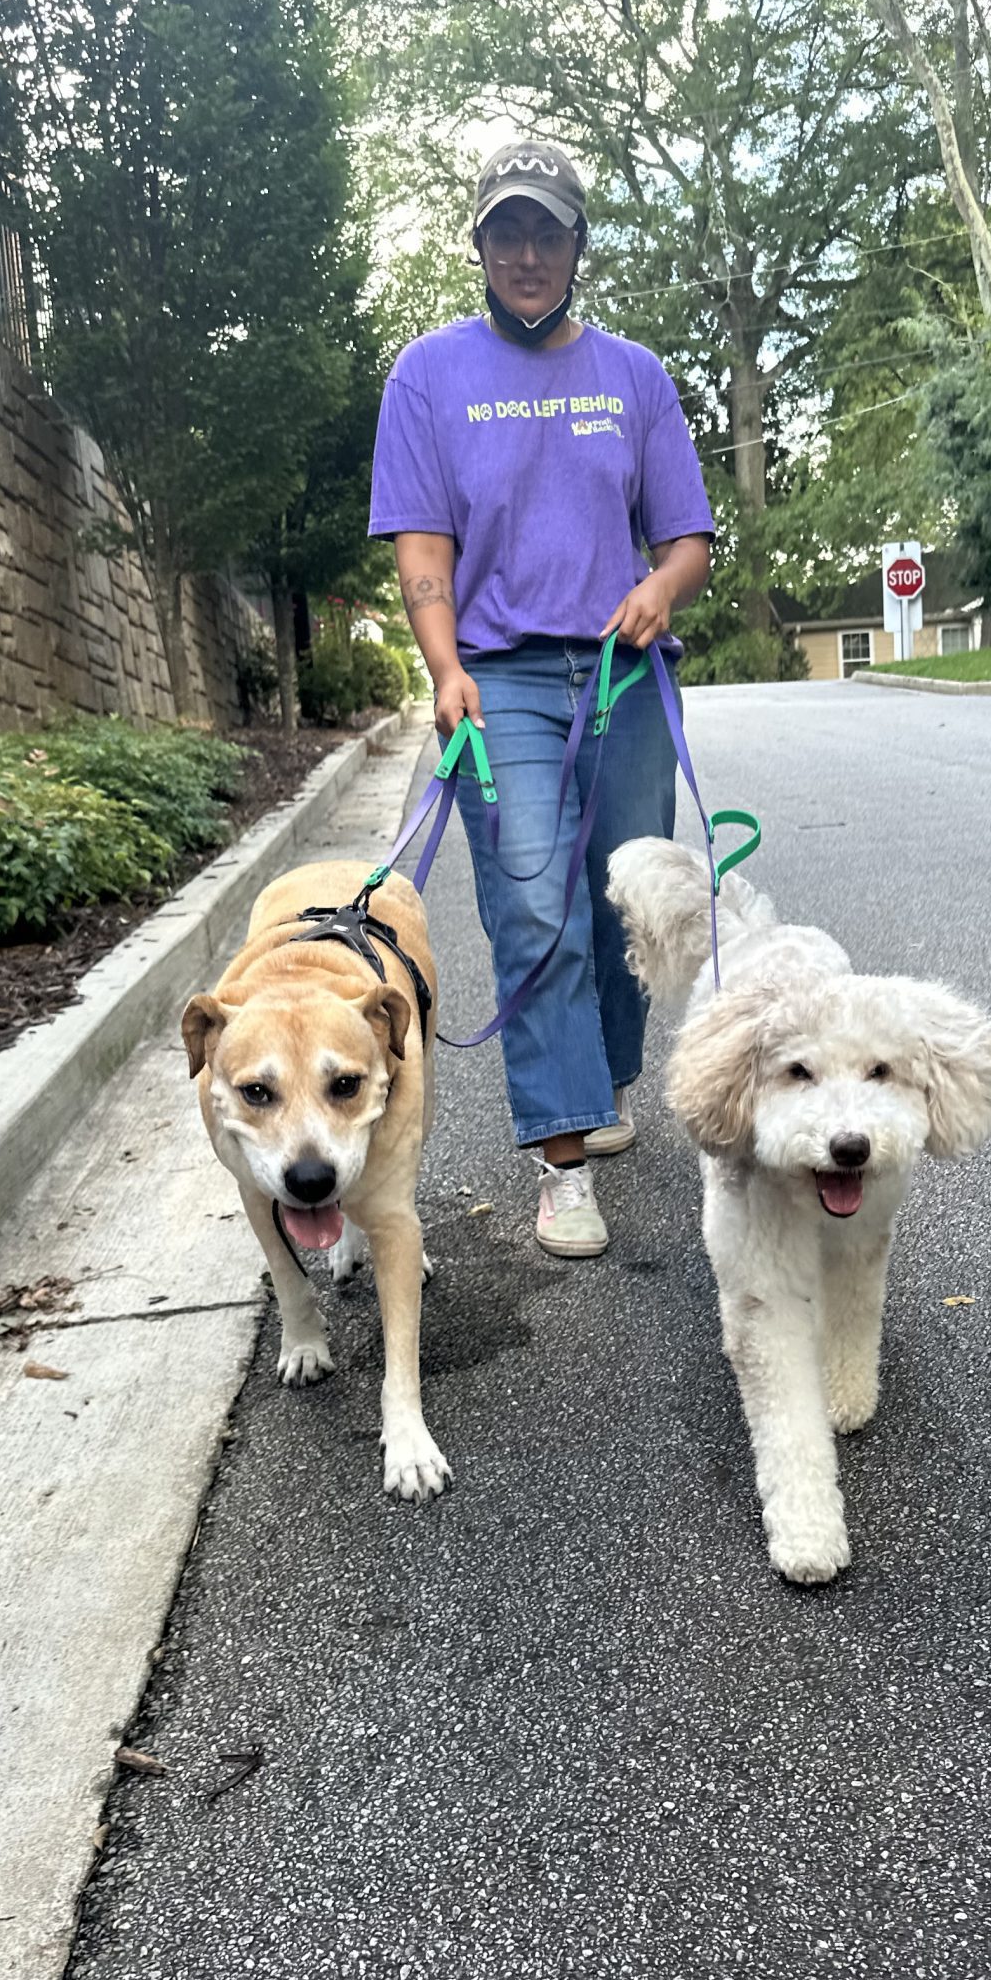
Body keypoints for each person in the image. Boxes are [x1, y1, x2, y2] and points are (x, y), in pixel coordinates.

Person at [368, 140, 714, 1259]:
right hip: (502, 674)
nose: (527, 255)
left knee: (628, 902)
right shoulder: (428, 376)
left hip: (621, 674)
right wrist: (445, 669)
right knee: (533, 906)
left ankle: (602, 1078)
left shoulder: (635, 377)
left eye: (547, 233)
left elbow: (687, 539)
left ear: (577, 246)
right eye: (507, 233)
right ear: (479, 245)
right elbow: (423, 547)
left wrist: (660, 589)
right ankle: (563, 1159)